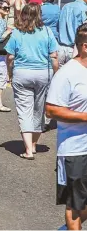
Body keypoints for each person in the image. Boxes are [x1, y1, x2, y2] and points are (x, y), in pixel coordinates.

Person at [45, 23, 87, 231]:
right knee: (75, 204)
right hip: (74, 150)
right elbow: (51, 111)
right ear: (85, 46)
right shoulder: (67, 74)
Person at [6, 3, 59, 160]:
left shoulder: (17, 33)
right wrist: (56, 74)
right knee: (39, 109)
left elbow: (9, 57)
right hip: (43, 73)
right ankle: (34, 144)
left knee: (24, 110)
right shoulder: (47, 32)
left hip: (22, 73)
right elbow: (54, 57)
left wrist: (10, 73)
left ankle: (28, 149)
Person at [58, 0, 87, 66]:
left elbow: (58, 26)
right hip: (75, 49)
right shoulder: (84, 10)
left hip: (61, 48)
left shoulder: (65, 7)